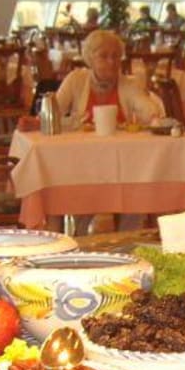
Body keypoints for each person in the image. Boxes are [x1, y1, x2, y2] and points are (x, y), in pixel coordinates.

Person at [53, 30, 166, 235]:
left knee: (137, 190)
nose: (112, 62)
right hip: (84, 164)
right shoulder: (76, 80)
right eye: (104, 56)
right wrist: (76, 122)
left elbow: (150, 111)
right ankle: (79, 239)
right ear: (90, 58)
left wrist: (149, 110)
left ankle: (128, 241)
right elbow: (53, 114)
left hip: (124, 164)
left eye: (116, 56)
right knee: (80, 191)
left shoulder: (129, 84)